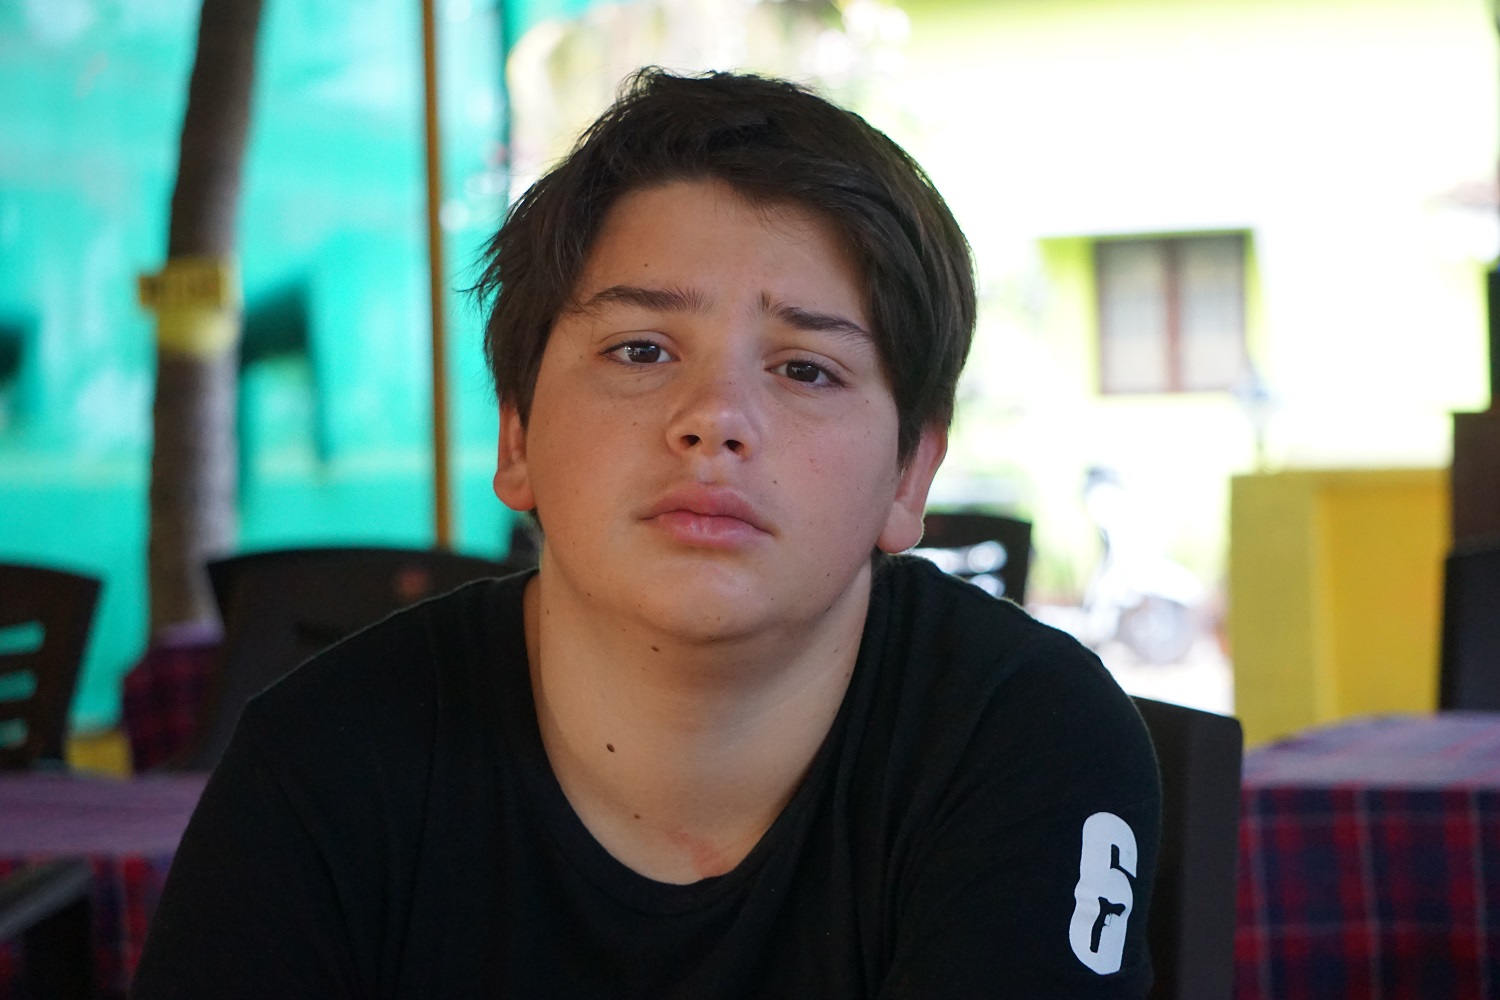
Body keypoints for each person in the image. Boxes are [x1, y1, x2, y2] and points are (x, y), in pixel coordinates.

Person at [132, 69, 1160, 998]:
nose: (715, 419)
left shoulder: (1026, 741)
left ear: (910, 474)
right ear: (517, 433)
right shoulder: (322, 761)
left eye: (806, 369)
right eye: (640, 349)